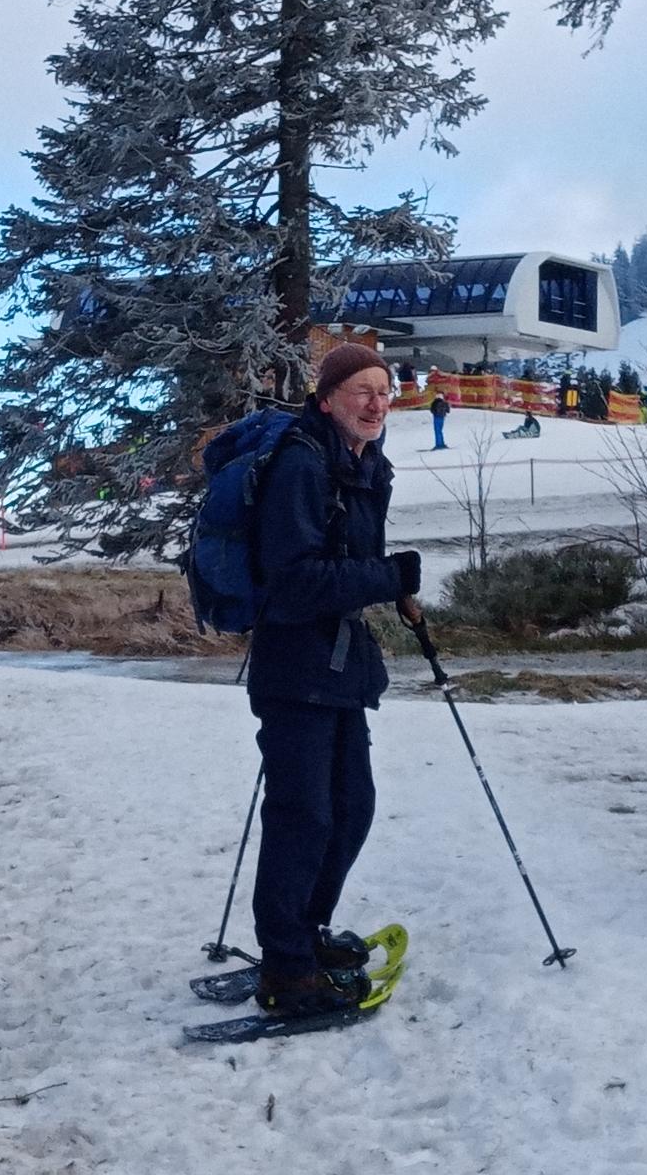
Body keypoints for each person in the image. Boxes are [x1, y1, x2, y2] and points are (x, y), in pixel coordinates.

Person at [247, 341, 421, 1016]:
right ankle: (286, 967)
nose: (377, 404)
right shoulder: (302, 463)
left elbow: (348, 560)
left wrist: (390, 584)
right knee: (304, 817)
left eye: (385, 391)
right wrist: (389, 575)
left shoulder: (362, 464)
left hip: (340, 664)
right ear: (327, 400)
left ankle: (307, 936)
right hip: (295, 666)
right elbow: (292, 581)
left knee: (350, 809)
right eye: (362, 391)